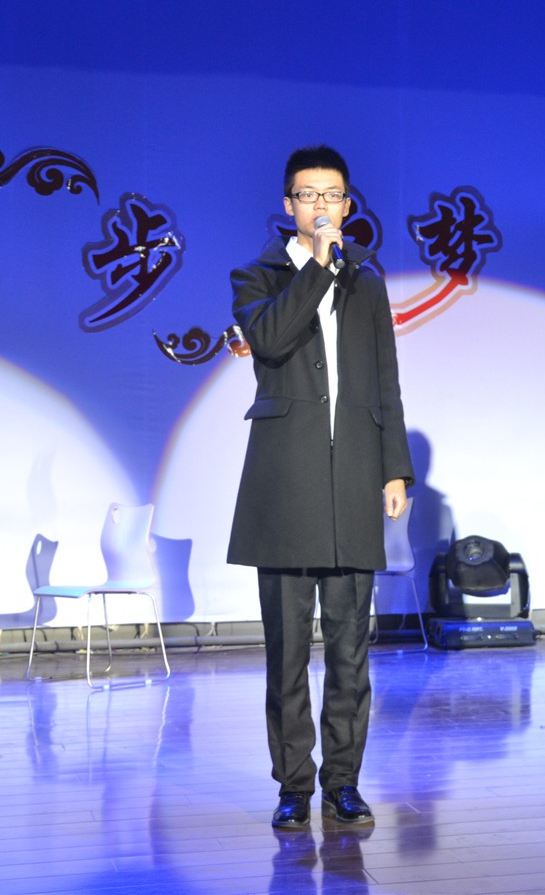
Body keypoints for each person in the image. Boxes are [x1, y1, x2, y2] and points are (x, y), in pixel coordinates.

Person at [227, 144, 414, 830]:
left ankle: (343, 782)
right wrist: (318, 266)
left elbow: (386, 382)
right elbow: (273, 340)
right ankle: (291, 785)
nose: (321, 206)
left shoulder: (368, 283)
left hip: (353, 478)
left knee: (349, 650)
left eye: (332, 196)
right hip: (285, 485)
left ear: (348, 203)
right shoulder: (257, 276)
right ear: (289, 205)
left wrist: (394, 467)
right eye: (308, 196)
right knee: (286, 653)